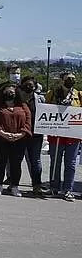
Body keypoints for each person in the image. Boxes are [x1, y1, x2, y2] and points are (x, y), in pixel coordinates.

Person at [0, 83, 32, 197]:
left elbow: (28, 120)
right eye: (7, 91)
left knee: (16, 164)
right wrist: (3, 133)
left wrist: (21, 134)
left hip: (19, 140)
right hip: (0, 140)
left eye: (12, 91)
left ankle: (15, 186)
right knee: (0, 162)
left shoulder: (23, 105)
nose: (10, 93)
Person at [46, 72, 81, 201]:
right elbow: (46, 109)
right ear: (62, 80)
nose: (71, 81)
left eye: (73, 79)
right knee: (55, 162)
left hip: (73, 135)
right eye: (68, 79)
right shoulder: (52, 93)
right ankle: (54, 187)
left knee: (71, 163)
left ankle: (68, 190)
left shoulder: (79, 95)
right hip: (56, 134)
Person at [20, 76, 47, 197]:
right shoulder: (17, 99)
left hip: (36, 134)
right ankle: (13, 183)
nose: (29, 87)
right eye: (26, 84)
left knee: (35, 161)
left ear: (35, 86)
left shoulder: (40, 99)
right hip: (20, 134)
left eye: (31, 85)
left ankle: (37, 185)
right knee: (16, 159)